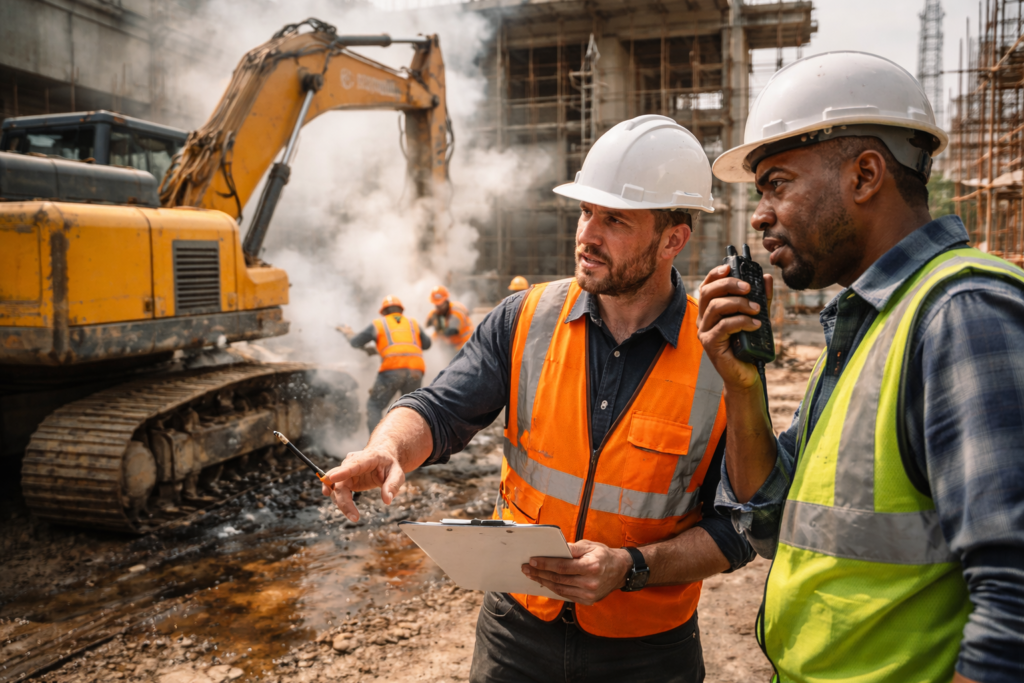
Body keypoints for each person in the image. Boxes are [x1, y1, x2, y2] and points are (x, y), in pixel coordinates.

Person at [322, 115, 754, 683]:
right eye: (585, 212)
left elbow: (741, 526)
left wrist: (631, 567)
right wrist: (389, 449)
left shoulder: (721, 358)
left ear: (673, 238)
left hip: (647, 649)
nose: (587, 234)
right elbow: (440, 408)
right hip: (517, 630)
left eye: (615, 219)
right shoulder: (525, 319)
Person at [698, 52, 1024, 683]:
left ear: (866, 174)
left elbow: (1014, 603)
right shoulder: (870, 320)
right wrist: (743, 390)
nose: (759, 214)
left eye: (778, 184)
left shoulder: (962, 312)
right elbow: (769, 521)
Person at [347, 295, 431, 433]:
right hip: (416, 370)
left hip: (392, 369)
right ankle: (410, 449)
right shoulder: (412, 323)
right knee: (410, 410)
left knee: (374, 406)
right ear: (401, 310)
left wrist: (348, 333)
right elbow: (427, 344)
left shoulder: (379, 323)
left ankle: (377, 447)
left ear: (384, 312)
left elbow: (355, 342)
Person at [425, 285, 473, 350]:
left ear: (446, 301)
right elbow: (428, 327)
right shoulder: (437, 313)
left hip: (464, 346)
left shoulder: (456, 312)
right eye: (436, 304)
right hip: (453, 346)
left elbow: (449, 331)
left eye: (440, 304)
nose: (438, 307)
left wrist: (438, 328)